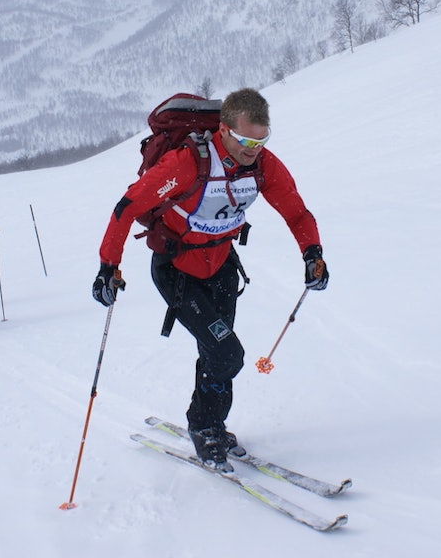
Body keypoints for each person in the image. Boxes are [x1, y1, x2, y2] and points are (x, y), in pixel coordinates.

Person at [93, 88, 329, 471]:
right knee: (227, 353)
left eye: (262, 140)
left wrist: (312, 254)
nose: (255, 148)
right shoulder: (186, 164)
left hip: (220, 267)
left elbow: (296, 212)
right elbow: (127, 207)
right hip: (177, 271)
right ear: (223, 130)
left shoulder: (263, 165)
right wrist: (108, 266)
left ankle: (213, 424)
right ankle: (202, 426)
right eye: (246, 140)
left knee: (215, 353)